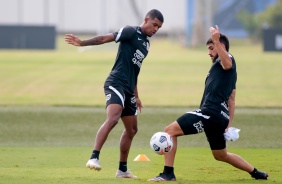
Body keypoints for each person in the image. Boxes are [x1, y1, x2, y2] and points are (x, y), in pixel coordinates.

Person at [148, 25, 269, 181]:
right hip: (219, 118)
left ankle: (168, 174)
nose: (209, 52)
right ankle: (256, 173)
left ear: (221, 46)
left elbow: (227, 63)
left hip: (210, 113)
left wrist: (217, 40)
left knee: (169, 131)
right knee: (220, 155)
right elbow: (232, 99)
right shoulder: (224, 73)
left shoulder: (227, 60)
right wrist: (228, 124)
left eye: (212, 48)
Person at [64, 9, 163, 178]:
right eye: (154, 25)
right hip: (115, 82)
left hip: (129, 88)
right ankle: (94, 157)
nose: (155, 29)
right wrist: (82, 43)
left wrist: (136, 95)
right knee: (114, 118)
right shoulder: (130, 31)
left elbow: (135, 71)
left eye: (159, 27)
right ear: (146, 19)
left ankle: (122, 170)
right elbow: (104, 38)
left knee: (132, 129)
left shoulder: (146, 44)